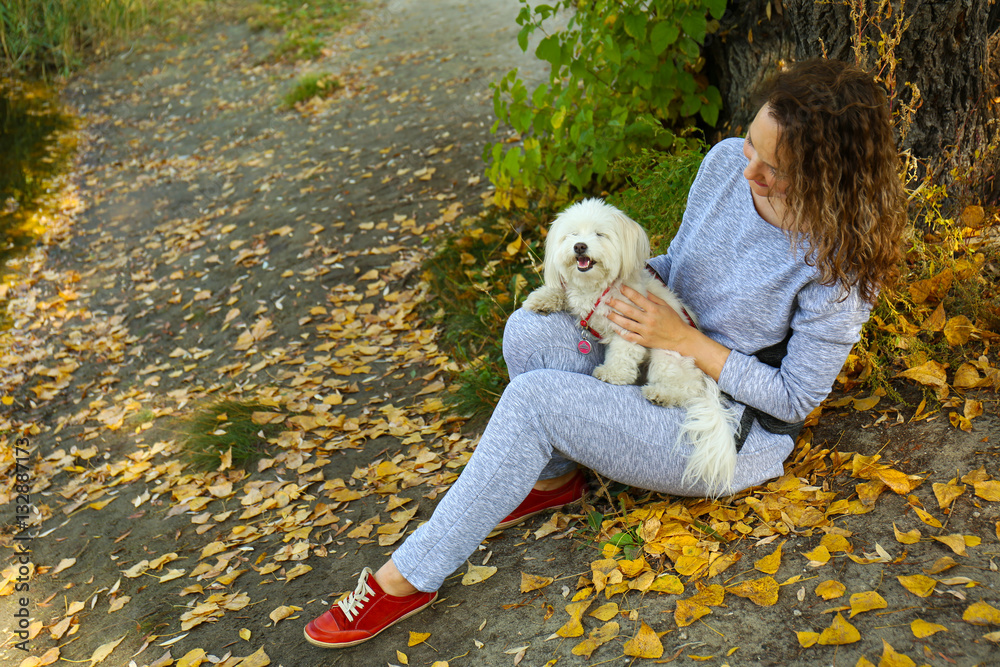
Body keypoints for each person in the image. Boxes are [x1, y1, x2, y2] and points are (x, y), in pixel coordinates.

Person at [303, 57, 906, 649]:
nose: (750, 168)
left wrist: (683, 341)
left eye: (774, 168)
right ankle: (554, 479)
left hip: (720, 425)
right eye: (752, 144)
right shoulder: (726, 164)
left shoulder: (840, 264)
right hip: (654, 346)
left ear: (828, 178)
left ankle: (408, 577)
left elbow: (795, 400)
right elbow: (679, 267)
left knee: (534, 401)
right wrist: (609, 280)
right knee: (527, 331)